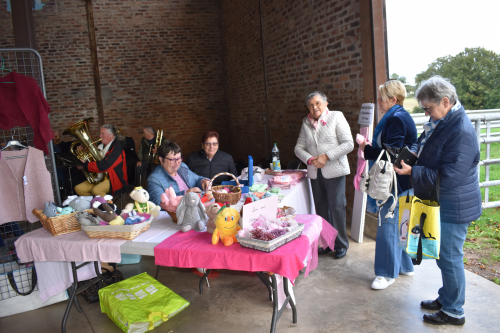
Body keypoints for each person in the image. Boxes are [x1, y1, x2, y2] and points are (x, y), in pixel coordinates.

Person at [394, 76, 482, 326]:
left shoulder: (461, 131)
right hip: (444, 201)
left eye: (428, 108)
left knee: (451, 257)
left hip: (454, 205)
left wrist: (414, 172)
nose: (426, 114)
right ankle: (447, 298)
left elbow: (450, 177)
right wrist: (414, 157)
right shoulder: (443, 121)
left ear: (445, 102)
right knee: (444, 257)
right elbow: (433, 154)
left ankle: (454, 311)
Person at [358, 80, 417, 290]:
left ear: (393, 99)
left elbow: (390, 153)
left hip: (394, 182)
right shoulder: (401, 116)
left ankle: (386, 273)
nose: (379, 102)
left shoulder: (396, 119)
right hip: (402, 180)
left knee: (388, 225)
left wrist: (366, 148)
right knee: (399, 223)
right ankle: (404, 265)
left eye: (382, 98)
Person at [294, 91, 354, 259]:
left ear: (326, 103)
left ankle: (341, 244)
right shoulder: (305, 122)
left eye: (318, 103)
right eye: (311, 105)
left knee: (336, 207)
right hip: (314, 171)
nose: (315, 107)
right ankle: (328, 243)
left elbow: (348, 144)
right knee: (321, 209)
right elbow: (298, 148)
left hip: (334, 170)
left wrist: (326, 157)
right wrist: (310, 159)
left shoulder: (337, 117)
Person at [147, 141, 211, 206]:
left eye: (179, 159)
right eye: (172, 160)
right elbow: (159, 203)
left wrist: (203, 181)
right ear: (161, 160)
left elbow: (197, 178)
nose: (177, 163)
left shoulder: (182, 167)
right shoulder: (154, 179)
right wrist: (185, 194)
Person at [74, 124, 128, 197]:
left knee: (96, 190)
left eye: (102, 134)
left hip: (114, 179)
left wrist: (86, 165)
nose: (100, 136)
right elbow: (94, 161)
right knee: (78, 189)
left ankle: (107, 206)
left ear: (111, 135)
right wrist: (84, 154)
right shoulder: (100, 145)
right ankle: (95, 203)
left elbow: (105, 165)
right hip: (99, 177)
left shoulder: (117, 149)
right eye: (100, 133)